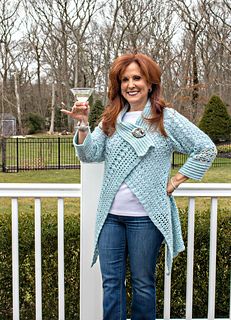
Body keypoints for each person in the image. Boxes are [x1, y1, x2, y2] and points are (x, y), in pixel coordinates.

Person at [61, 53, 217, 320]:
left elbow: (205, 148)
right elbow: (90, 155)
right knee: (111, 285)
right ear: (118, 84)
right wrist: (83, 124)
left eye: (137, 78)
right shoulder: (110, 119)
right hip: (110, 218)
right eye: (124, 79)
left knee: (143, 286)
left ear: (150, 83)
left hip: (146, 219)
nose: (130, 84)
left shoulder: (165, 118)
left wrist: (174, 182)